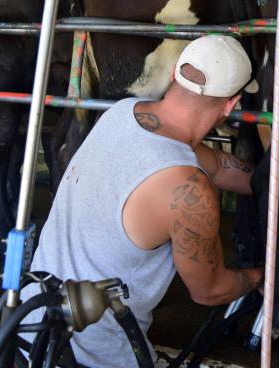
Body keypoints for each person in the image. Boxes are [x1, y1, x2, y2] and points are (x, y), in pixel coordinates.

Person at [21, 35, 264, 367]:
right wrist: (261, 277)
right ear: (230, 106)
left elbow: (220, 166)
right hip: (98, 356)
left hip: (28, 327)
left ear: (177, 75)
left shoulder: (126, 113)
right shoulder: (189, 191)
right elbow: (209, 290)